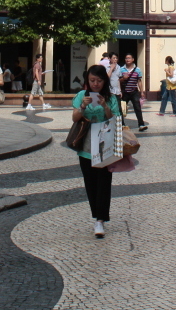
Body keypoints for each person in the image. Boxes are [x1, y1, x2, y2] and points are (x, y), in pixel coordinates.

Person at [72, 65, 122, 238]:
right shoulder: (81, 95)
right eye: (92, 80)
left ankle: (100, 219)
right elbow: (75, 118)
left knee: (103, 181)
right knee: (90, 182)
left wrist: (105, 105)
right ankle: (96, 215)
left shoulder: (111, 98)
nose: (95, 84)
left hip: (104, 143)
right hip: (86, 144)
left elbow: (115, 118)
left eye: (99, 81)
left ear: (104, 81)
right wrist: (83, 107)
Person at [119, 53, 147, 131]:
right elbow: (118, 80)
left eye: (129, 58)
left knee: (137, 107)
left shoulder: (137, 69)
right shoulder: (121, 69)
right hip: (124, 92)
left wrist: (141, 92)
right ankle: (122, 124)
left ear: (133, 59)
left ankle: (141, 124)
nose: (127, 59)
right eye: (126, 58)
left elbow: (139, 81)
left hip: (134, 91)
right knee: (122, 108)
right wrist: (123, 79)